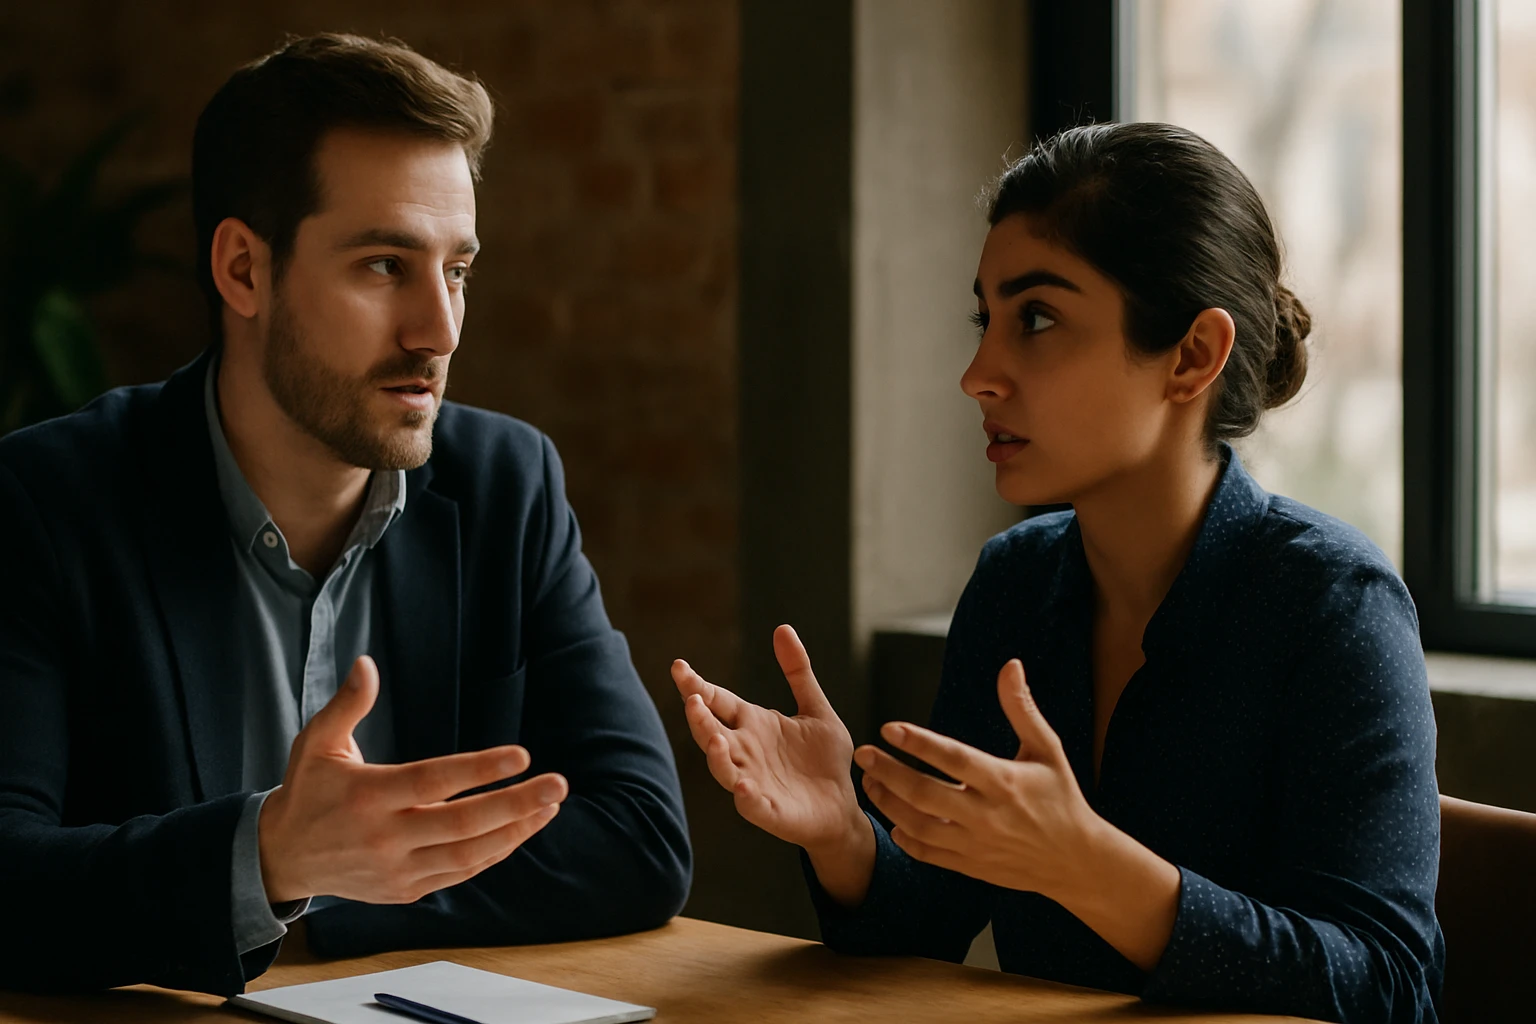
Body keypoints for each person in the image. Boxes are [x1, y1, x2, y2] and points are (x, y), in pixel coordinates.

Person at [672, 122, 1442, 1024]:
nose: (978, 375)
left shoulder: (1334, 605)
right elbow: (928, 922)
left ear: (1193, 356)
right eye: (986, 321)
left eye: (1036, 319)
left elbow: (1389, 988)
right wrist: (845, 833)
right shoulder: (1017, 583)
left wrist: (1089, 867)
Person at [0, 34, 690, 996]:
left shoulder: (507, 484)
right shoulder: (45, 501)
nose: (438, 331)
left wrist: (322, 893)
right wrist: (268, 858)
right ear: (244, 270)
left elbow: (639, 837)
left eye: (457, 270)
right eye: (383, 265)